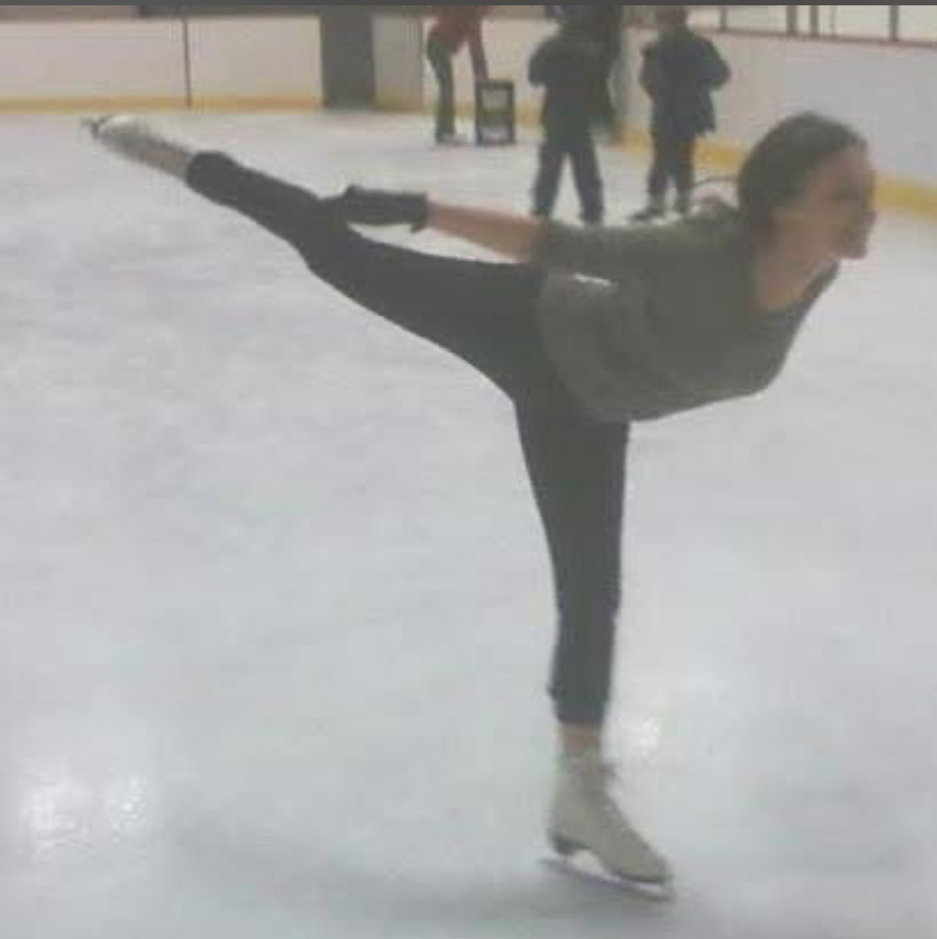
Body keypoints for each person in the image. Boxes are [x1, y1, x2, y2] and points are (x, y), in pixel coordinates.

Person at [85, 111, 877, 886]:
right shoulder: (699, 256)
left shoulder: (819, 269)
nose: (864, 211)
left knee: (591, 593)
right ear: (781, 204)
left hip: (589, 408)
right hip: (528, 325)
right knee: (339, 252)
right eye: (843, 195)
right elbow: (556, 243)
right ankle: (183, 160)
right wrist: (419, 209)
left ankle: (578, 791)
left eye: (866, 192)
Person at [634, 5, 731, 221]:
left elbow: (647, 80)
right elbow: (720, 76)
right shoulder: (701, 45)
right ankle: (683, 202)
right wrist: (698, 86)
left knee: (661, 158)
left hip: (667, 111)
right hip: (692, 111)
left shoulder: (655, 48)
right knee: (683, 156)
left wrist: (661, 94)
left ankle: (657, 203)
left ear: (664, 22)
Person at [529, 19, 607, 225]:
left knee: (550, 168)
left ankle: (541, 210)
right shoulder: (590, 50)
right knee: (586, 167)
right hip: (580, 115)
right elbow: (598, 84)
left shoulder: (549, 47)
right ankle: (593, 211)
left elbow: (534, 76)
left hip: (556, 113)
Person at [425, 5, 490, 145]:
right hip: (437, 46)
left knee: (447, 88)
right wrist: (481, 73)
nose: (487, 12)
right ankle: (444, 132)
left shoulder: (469, 12)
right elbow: (476, 45)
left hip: (436, 44)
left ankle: (445, 131)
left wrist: (480, 73)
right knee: (447, 89)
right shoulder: (472, 15)